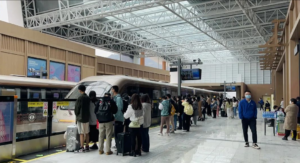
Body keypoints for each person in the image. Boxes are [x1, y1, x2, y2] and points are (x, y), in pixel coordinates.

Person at [75, 85, 90, 152]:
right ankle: (87, 145)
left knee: (81, 133)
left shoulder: (80, 98)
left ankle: (82, 147)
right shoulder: (87, 97)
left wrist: (77, 115)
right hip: (87, 118)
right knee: (87, 132)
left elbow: (77, 109)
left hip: (81, 118)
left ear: (80, 90)